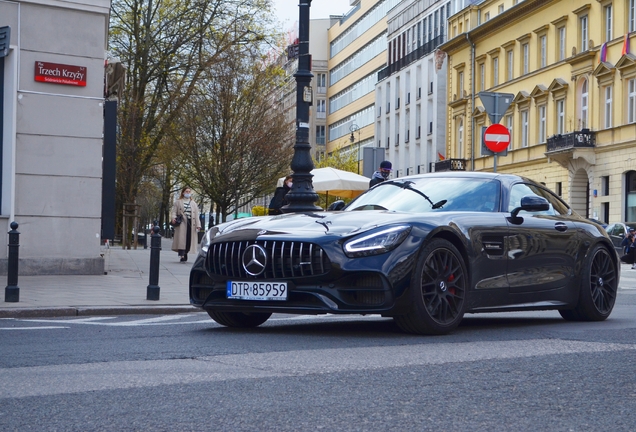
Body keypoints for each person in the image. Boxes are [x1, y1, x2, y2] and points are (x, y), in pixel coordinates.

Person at [171, 186, 201, 262]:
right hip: (182, 222)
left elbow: (196, 215)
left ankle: (186, 252)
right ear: (183, 192)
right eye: (186, 191)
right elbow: (174, 211)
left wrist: (198, 225)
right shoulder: (178, 202)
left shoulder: (193, 203)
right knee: (181, 240)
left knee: (188, 239)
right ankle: (182, 255)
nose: (188, 193)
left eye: (189, 192)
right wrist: (173, 218)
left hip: (191, 223)